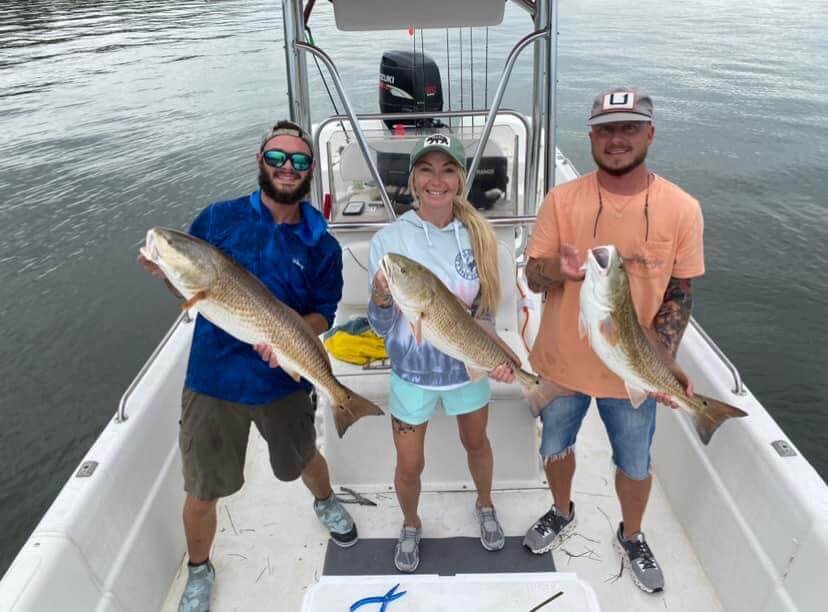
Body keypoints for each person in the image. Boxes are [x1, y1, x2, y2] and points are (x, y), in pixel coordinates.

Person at [138, 120, 356, 612]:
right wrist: (164, 269)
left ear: (310, 171)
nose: (287, 168)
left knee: (304, 459)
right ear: (261, 161)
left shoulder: (322, 244)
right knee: (201, 488)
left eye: (299, 161)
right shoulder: (217, 219)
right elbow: (190, 289)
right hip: (213, 380)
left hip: (282, 376)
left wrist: (290, 336)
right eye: (277, 157)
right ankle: (199, 569)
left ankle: (324, 501)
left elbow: (326, 309)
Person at [521, 88, 704, 594]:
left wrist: (663, 355)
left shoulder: (682, 209)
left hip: (632, 371)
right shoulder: (562, 200)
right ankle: (561, 512)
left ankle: (634, 533)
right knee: (556, 446)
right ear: (591, 137)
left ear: (650, 132)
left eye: (628, 128)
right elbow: (534, 278)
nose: (616, 140)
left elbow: (679, 291)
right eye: (606, 129)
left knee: (636, 462)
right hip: (561, 366)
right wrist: (556, 267)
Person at [368, 133, 517, 573]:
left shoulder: (477, 235)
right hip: (411, 374)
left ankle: (485, 505)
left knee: (476, 443)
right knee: (409, 464)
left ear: (460, 179)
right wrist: (379, 297)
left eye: (448, 169)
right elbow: (380, 327)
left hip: (466, 370)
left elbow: (484, 312)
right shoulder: (390, 241)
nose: (438, 180)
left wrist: (500, 359)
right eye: (427, 170)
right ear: (413, 179)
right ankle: (411, 523)